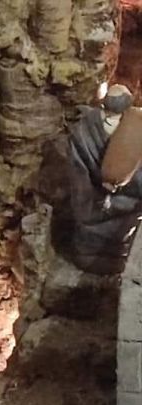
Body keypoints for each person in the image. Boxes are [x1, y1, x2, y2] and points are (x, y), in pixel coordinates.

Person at [68, 84, 142, 273]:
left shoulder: (83, 130)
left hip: (108, 205)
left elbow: (78, 170)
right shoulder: (84, 131)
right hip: (104, 204)